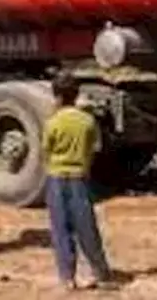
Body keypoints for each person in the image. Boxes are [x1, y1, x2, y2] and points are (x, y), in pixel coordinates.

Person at [42, 72, 117, 291]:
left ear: (56, 97)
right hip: (80, 179)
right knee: (87, 228)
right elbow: (96, 148)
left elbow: (46, 151)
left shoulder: (52, 122)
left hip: (56, 179)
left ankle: (68, 277)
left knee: (61, 230)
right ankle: (100, 272)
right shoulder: (87, 121)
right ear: (76, 95)